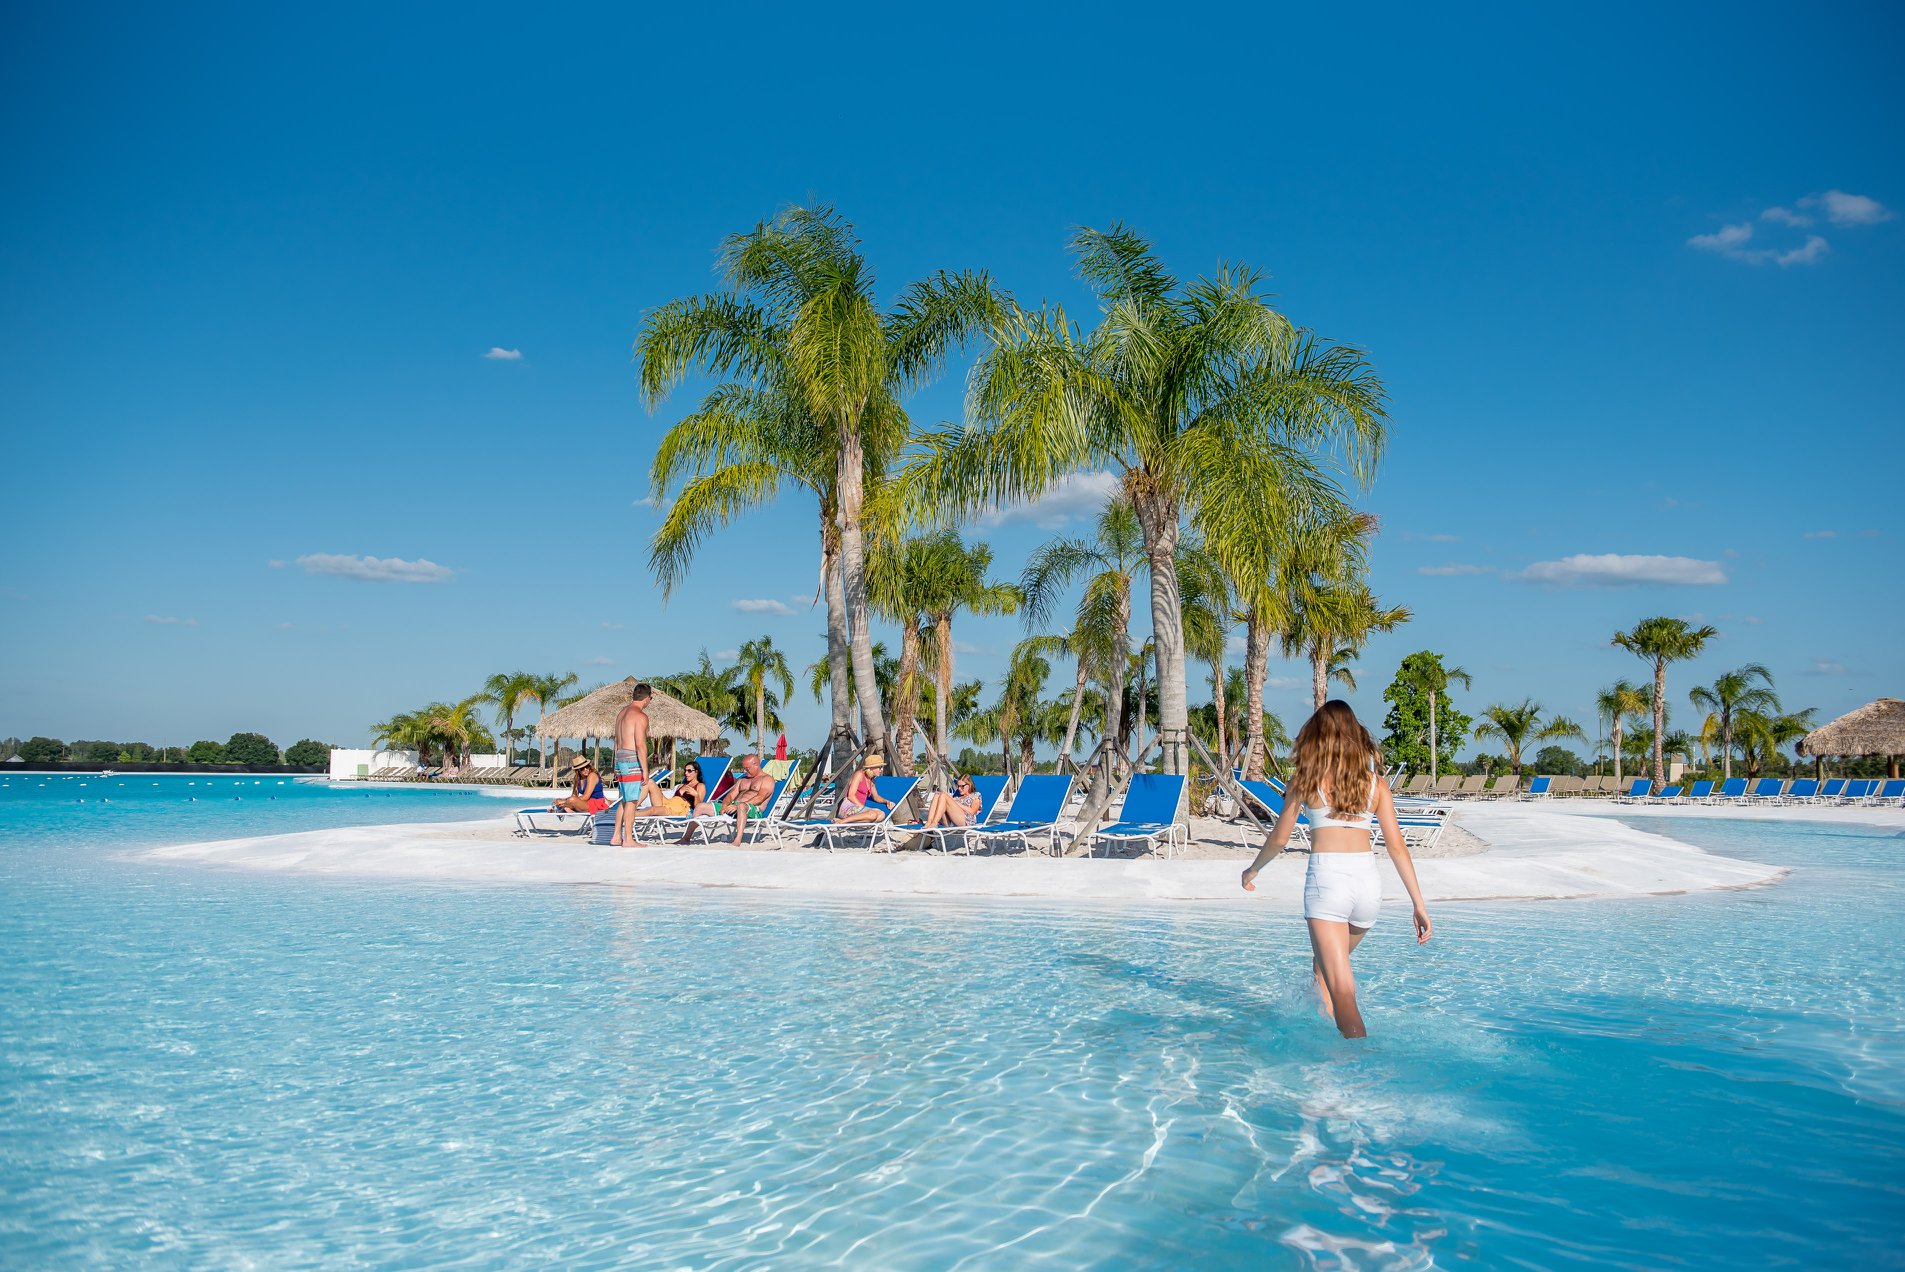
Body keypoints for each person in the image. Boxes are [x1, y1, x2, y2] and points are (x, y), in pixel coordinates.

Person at [1240, 700, 1432, 1039]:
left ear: (1318, 736)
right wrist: (1418, 904)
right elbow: (1397, 846)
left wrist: (1252, 870)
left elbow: (1280, 838)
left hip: (1328, 883)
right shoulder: (1376, 784)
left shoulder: (1306, 780)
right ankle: (1326, 1031)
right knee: (1324, 967)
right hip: (1368, 887)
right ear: (1356, 735)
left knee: (1344, 990)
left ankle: (1357, 1064)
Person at [680, 753, 778, 846]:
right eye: (743, 768)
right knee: (701, 806)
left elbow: (760, 798)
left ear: (756, 765)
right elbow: (730, 795)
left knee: (741, 806)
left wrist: (736, 806)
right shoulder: (743, 780)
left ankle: (737, 840)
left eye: (747, 768)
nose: (744, 771)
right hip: (733, 808)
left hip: (752, 809)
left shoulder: (767, 779)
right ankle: (686, 838)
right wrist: (724, 805)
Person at [610, 682, 654, 848]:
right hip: (631, 759)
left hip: (620, 759)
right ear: (647, 698)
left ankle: (616, 836)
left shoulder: (621, 713)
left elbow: (616, 741)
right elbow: (640, 745)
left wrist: (615, 764)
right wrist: (645, 770)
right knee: (632, 802)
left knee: (624, 800)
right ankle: (628, 839)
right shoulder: (640, 716)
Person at [627, 761, 707, 823]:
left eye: (689, 771)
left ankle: (628, 815)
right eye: (685, 770)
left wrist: (695, 795)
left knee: (653, 810)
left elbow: (698, 807)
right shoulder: (681, 785)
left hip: (678, 809)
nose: (686, 773)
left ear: (696, 772)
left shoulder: (700, 786)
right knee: (650, 782)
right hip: (669, 802)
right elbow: (672, 795)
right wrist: (660, 791)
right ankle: (632, 807)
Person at [832, 754, 895, 824]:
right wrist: (863, 808)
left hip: (859, 810)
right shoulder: (859, 774)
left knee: (881, 815)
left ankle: (855, 821)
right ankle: (842, 821)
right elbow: (851, 795)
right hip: (849, 807)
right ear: (871, 768)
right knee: (873, 814)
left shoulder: (872, 780)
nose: (881, 770)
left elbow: (876, 797)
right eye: (879, 767)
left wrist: (887, 801)